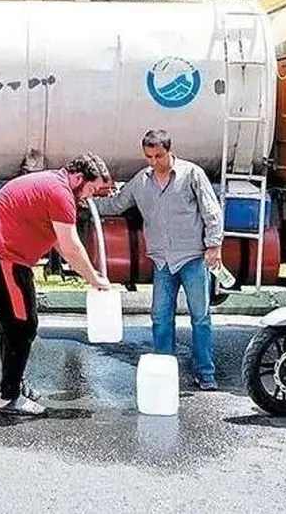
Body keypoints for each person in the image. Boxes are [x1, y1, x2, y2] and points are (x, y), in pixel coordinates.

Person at [0, 152, 113, 416]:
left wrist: (89, 275)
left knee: (15, 323)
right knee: (21, 325)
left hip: (3, 256)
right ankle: (10, 397)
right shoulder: (60, 193)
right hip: (1, 256)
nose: (89, 197)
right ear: (78, 177)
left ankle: (14, 384)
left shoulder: (56, 186)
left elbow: (59, 241)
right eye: (91, 189)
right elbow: (70, 247)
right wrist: (94, 278)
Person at [92, 129, 224, 390]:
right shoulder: (141, 181)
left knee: (200, 317)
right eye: (149, 156)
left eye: (158, 156)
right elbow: (117, 204)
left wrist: (214, 246)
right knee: (161, 317)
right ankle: (166, 370)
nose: (153, 161)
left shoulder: (191, 174)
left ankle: (206, 374)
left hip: (192, 258)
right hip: (162, 260)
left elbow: (211, 211)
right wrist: (86, 203)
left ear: (169, 150)